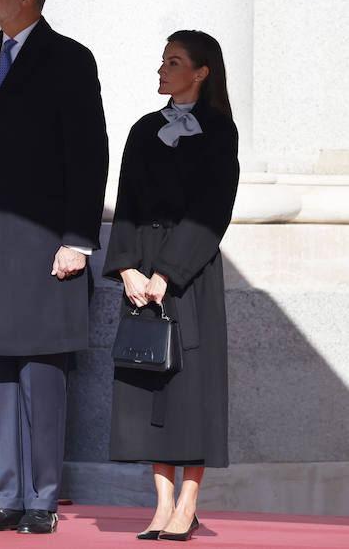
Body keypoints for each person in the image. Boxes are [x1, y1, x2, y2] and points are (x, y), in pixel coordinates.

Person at [0, 0, 108, 535]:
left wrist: (78, 240)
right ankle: (8, 494)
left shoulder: (69, 59)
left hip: (47, 247)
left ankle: (42, 498)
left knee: (42, 377)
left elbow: (89, 154)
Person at [104, 31, 238, 541]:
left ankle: (189, 503)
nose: (162, 69)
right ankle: (161, 505)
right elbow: (128, 205)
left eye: (174, 62)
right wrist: (129, 271)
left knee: (192, 392)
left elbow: (212, 211)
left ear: (200, 72)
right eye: (162, 60)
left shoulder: (220, 132)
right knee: (147, 388)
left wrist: (167, 274)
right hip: (142, 275)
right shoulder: (143, 130)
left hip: (190, 276)